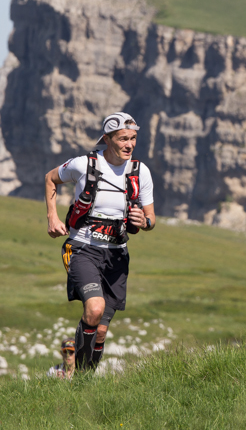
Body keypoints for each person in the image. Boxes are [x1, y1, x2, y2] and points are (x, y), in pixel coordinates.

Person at [45, 111, 156, 372]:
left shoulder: (141, 172)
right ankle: (75, 376)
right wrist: (52, 216)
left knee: (102, 331)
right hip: (82, 247)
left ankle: (84, 380)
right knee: (94, 309)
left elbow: (151, 218)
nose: (129, 144)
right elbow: (51, 178)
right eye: (122, 139)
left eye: (133, 138)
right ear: (107, 138)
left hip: (117, 255)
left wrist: (144, 222)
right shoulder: (83, 165)